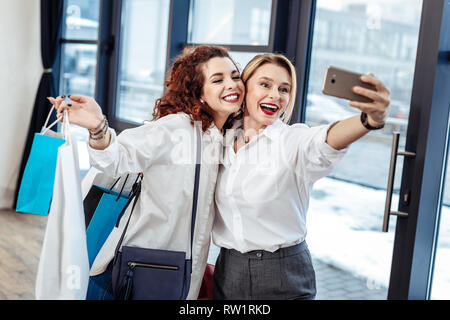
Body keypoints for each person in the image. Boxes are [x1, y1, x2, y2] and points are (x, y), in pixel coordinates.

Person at [48, 45, 245, 299]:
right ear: (199, 93)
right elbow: (115, 159)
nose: (232, 84)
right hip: (144, 269)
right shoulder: (176, 129)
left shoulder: (225, 138)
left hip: (180, 273)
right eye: (218, 79)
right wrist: (98, 128)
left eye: (235, 76)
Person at [212, 53, 390, 300]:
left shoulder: (291, 141)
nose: (276, 95)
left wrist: (368, 120)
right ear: (244, 89)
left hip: (282, 274)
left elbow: (323, 141)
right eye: (265, 84)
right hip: (228, 271)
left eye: (284, 89)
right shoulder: (220, 139)